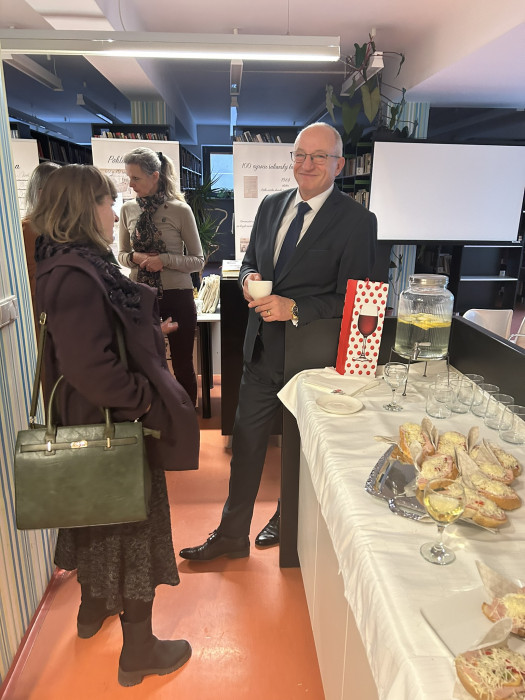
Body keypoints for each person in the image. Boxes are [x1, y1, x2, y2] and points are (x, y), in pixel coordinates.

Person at [32, 164, 200, 687]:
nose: (114, 212)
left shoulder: (68, 263)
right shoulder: (78, 274)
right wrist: (144, 402)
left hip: (87, 422)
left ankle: (91, 612)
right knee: (131, 530)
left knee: (97, 522)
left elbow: (93, 343)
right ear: (86, 208)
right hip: (110, 425)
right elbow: (92, 368)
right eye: (107, 203)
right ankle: (139, 652)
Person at [180, 122, 377, 561]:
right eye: (300, 155)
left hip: (313, 360)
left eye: (319, 156)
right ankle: (232, 535)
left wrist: (297, 308)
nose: (307, 164)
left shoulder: (357, 222)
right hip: (262, 352)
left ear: (339, 165)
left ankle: (288, 519)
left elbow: (358, 297)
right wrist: (248, 276)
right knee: (246, 445)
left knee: (301, 451)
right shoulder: (272, 206)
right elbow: (251, 259)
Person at [118, 147, 204, 406]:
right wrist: (135, 258)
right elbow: (121, 255)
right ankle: (151, 418)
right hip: (141, 297)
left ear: (155, 176)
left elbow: (198, 261)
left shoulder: (180, 210)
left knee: (182, 365)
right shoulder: (128, 210)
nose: (130, 185)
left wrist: (163, 260)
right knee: (145, 363)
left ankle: (185, 418)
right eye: (129, 178)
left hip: (177, 297)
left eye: (136, 178)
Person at [22, 161, 61, 329]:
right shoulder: (29, 229)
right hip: (44, 320)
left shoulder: (56, 227)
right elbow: (33, 283)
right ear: (42, 193)